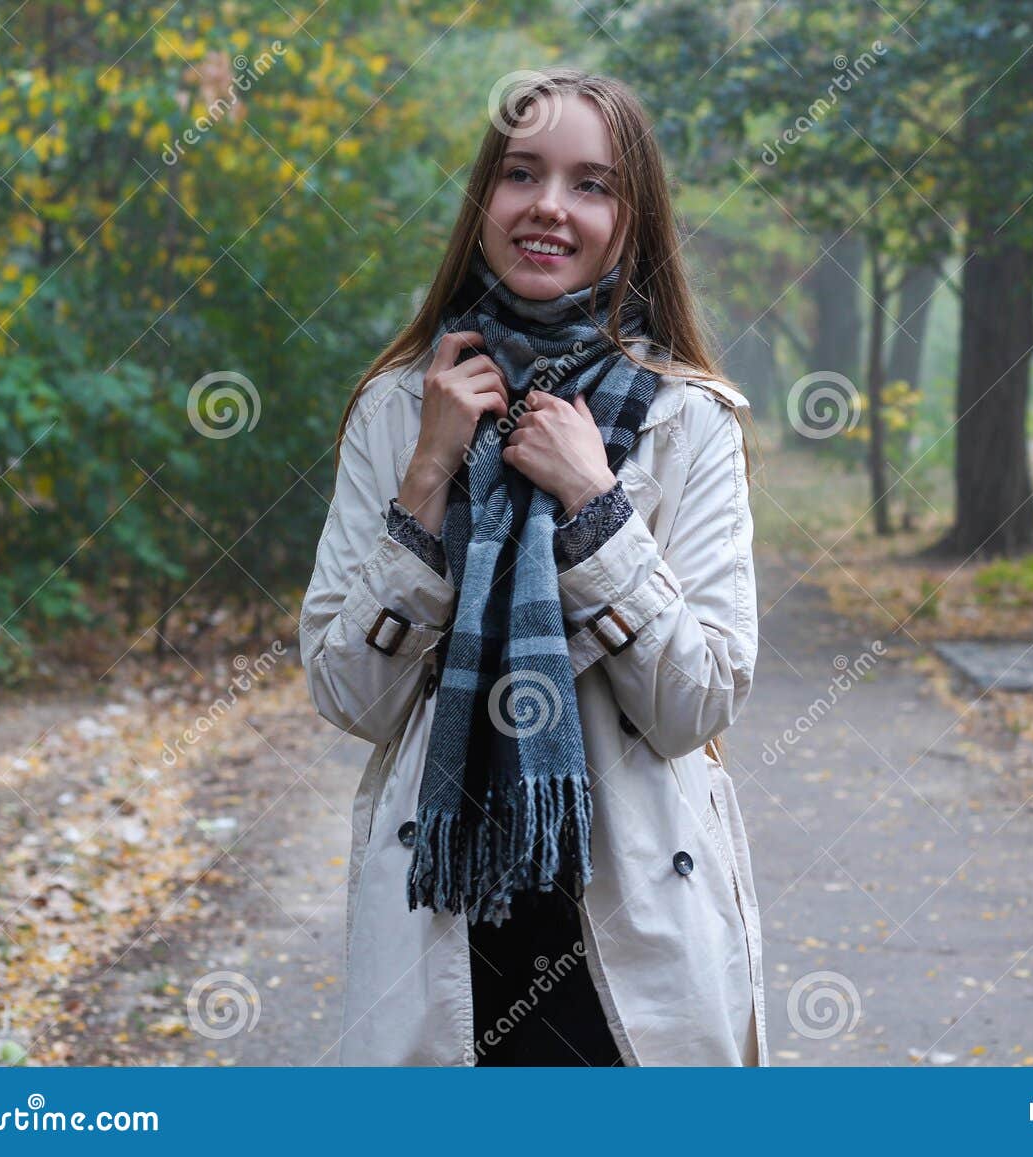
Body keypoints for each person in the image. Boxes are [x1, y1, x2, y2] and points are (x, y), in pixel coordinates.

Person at [298, 68, 766, 1066]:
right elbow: (349, 691)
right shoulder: (398, 408)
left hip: (639, 922)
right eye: (522, 173)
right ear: (483, 202)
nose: (549, 206)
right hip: (440, 927)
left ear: (631, 222)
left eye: (590, 184)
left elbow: (698, 702)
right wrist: (428, 472)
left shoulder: (687, 421)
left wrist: (595, 509)